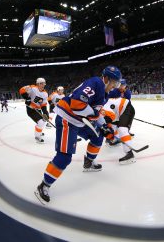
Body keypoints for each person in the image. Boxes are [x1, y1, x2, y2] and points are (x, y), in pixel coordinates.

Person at [34, 65, 122, 204]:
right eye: (114, 83)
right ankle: (44, 185)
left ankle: (88, 162)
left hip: (79, 121)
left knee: (98, 136)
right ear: (106, 79)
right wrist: (95, 115)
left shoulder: (103, 91)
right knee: (64, 157)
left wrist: (104, 126)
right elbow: (76, 104)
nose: (115, 86)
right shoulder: (95, 83)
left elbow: (96, 112)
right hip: (67, 120)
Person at [102, 97, 136, 164]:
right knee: (113, 127)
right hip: (117, 111)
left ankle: (130, 154)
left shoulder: (103, 110)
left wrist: (108, 132)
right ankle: (116, 140)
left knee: (122, 129)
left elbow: (108, 120)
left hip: (126, 108)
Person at [19, 77, 49, 143]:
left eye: (44, 83)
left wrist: (45, 113)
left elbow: (43, 105)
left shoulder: (45, 94)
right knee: (40, 122)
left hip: (38, 109)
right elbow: (22, 90)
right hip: (31, 109)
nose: (43, 85)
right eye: (41, 83)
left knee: (43, 121)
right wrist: (27, 98)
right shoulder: (32, 88)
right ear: (37, 84)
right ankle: (37, 136)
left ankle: (39, 132)